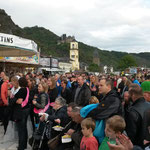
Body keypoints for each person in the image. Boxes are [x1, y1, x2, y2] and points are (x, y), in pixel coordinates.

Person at [126, 83, 150, 147]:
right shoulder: (148, 105)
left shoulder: (133, 111)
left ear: (133, 95)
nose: (128, 95)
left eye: (129, 94)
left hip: (139, 145)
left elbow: (131, 134)